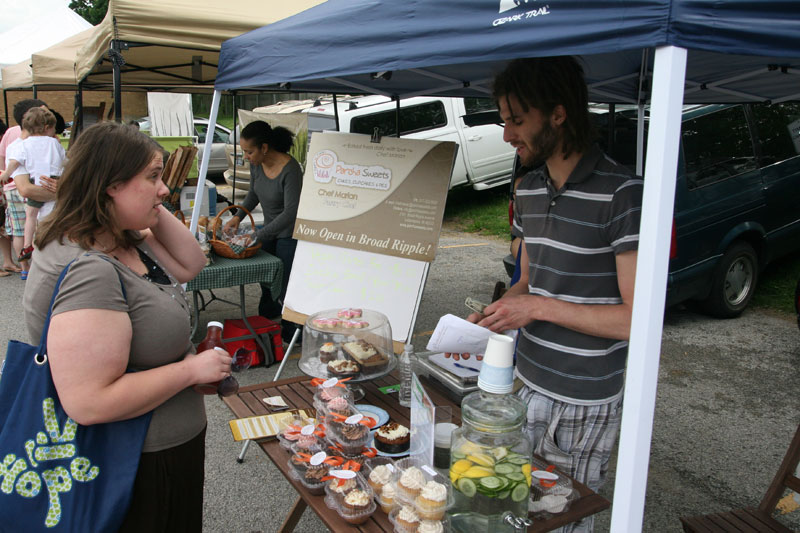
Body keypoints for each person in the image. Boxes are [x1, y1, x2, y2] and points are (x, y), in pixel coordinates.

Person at [450, 56, 643, 533]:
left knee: (565, 517)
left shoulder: (624, 193)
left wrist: (535, 306)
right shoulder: (529, 190)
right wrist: (500, 312)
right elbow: (528, 283)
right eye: (503, 121)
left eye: (517, 120)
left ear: (558, 114)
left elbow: (636, 319)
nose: (506, 134)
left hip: (583, 396)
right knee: (511, 506)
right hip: (522, 384)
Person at [23, 121, 233, 532]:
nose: (165, 189)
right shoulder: (86, 267)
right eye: (153, 177)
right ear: (110, 184)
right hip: (133, 460)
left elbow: (192, 265)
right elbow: (89, 401)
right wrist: (189, 370)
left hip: (161, 448)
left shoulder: (119, 235)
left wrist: (147, 212)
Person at [223, 120, 302, 343]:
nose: (246, 156)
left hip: (288, 235)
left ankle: (291, 330)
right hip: (267, 232)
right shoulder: (257, 165)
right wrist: (237, 216)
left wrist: (257, 234)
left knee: (286, 282)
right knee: (266, 279)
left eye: (249, 151)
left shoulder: (291, 169)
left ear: (264, 148)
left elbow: (290, 212)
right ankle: (267, 320)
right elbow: (253, 194)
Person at [2, 107, 66, 265]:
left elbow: (14, 161)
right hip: (53, 180)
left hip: (36, 181)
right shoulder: (54, 143)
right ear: (47, 128)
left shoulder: (23, 145)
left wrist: (5, 174)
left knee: (30, 216)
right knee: (53, 218)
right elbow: (66, 162)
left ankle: (27, 245)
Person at [0, 99, 48, 277]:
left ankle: (23, 268)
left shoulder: (11, 133)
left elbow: (3, 156)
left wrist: (5, 176)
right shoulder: (42, 138)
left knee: (19, 231)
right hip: (32, 186)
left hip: (11, 187)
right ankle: (37, 266)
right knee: (36, 226)